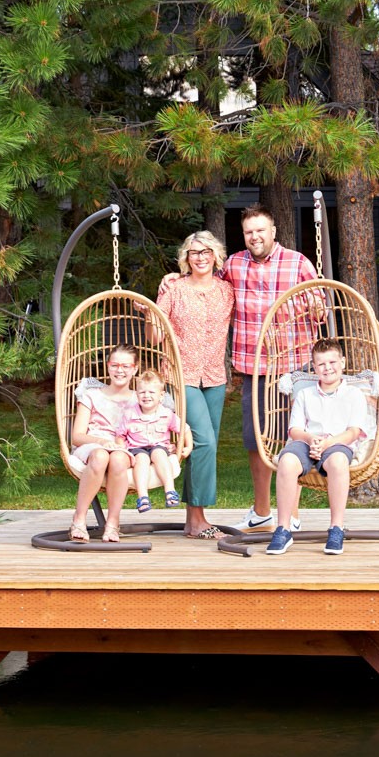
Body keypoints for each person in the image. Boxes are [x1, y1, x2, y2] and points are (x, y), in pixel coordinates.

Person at [223, 207, 323, 532]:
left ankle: (290, 515)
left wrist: (316, 307)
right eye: (249, 232)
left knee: (291, 442)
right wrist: (173, 280)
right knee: (256, 442)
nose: (255, 237)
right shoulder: (233, 265)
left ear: (273, 231)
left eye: (261, 230)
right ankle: (262, 511)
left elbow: (321, 311)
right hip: (254, 369)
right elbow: (209, 293)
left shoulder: (298, 263)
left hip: (294, 370)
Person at [154, 230, 236, 538]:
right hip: (180, 375)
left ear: (216, 256)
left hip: (214, 376)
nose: (200, 257)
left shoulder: (227, 290)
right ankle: (200, 520)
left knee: (201, 446)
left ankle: (192, 521)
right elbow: (154, 335)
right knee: (205, 442)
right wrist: (152, 318)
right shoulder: (174, 288)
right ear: (185, 258)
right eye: (193, 252)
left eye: (205, 252)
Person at [266, 338, 372, 555]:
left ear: (342, 362)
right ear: (314, 367)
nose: (328, 368)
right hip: (307, 442)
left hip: (337, 443)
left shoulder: (354, 395)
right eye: (321, 364)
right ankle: (283, 529)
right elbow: (294, 429)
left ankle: (336, 528)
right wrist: (311, 439)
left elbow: (353, 432)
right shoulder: (306, 394)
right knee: (286, 461)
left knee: (338, 461)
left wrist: (327, 443)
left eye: (332, 362)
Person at [66, 342, 138, 543]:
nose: (120, 370)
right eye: (115, 365)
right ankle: (79, 519)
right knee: (100, 455)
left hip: (122, 449)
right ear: (108, 366)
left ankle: (113, 523)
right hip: (90, 445)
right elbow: (77, 436)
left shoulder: (138, 400)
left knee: (118, 458)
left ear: (135, 369)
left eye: (125, 366)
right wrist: (101, 442)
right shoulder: (92, 394)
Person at [122, 368, 192, 513]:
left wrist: (188, 446)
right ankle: (143, 497)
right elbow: (120, 435)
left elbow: (185, 429)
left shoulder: (167, 414)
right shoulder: (129, 414)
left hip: (159, 446)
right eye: (142, 392)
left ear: (161, 396)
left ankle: (170, 491)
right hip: (137, 448)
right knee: (142, 459)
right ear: (136, 395)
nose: (146, 395)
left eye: (151, 392)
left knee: (159, 454)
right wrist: (123, 450)